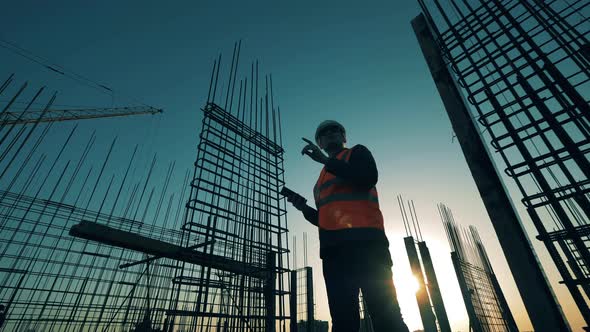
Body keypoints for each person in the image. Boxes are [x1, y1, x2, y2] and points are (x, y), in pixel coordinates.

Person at [286, 120, 409, 332]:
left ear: (344, 137)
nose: (331, 133)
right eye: (324, 132)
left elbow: (367, 178)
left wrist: (325, 161)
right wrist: (304, 208)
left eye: (336, 130)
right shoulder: (319, 183)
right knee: (343, 321)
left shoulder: (357, 153)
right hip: (335, 253)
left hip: (368, 247)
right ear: (320, 142)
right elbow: (325, 219)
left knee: (386, 315)